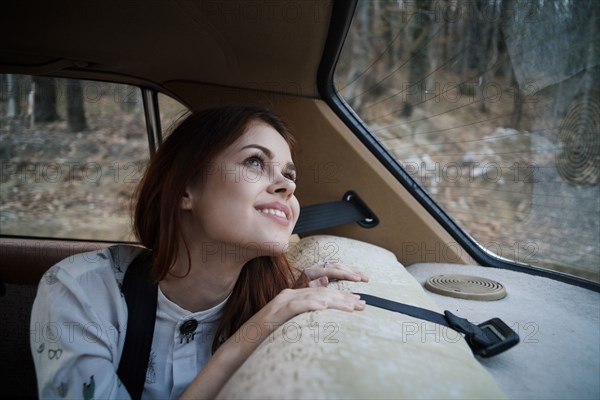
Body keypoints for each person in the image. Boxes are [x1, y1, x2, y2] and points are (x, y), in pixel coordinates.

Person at [30, 105, 368, 399]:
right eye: (254, 161)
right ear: (185, 189)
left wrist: (287, 304)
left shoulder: (275, 297)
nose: (288, 185)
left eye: (289, 175)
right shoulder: (79, 289)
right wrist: (263, 325)